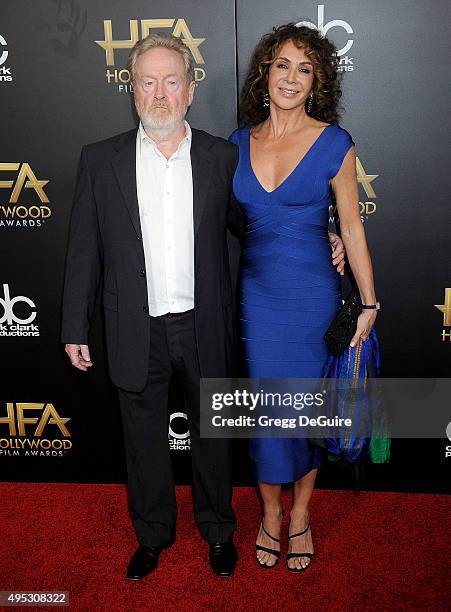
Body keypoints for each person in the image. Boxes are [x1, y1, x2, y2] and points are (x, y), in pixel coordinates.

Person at [61, 33, 244, 579]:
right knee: (142, 442)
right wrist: (74, 326)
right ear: (132, 89)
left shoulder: (223, 157)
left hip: (203, 323)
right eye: (148, 82)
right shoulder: (100, 160)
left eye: (171, 81)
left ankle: (217, 530)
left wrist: (325, 237)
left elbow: (255, 232)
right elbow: (83, 250)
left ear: (190, 90)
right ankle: (153, 534)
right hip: (134, 325)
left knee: (214, 435)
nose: (159, 93)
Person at [229, 23, 378, 572]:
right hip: (257, 299)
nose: (291, 78)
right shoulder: (236, 143)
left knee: (308, 411)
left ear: (316, 82)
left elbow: (352, 227)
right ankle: (270, 511)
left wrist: (368, 302)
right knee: (269, 413)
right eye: (282, 65)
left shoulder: (335, 143)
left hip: (313, 296)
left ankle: (302, 514)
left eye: (304, 68)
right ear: (264, 74)